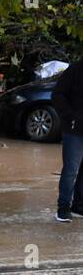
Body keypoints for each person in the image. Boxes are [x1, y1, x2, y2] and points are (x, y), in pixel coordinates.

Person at [50, 57, 83, 222]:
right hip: (74, 130)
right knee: (71, 170)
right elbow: (57, 95)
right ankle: (63, 208)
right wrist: (71, 116)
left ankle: (79, 207)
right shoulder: (75, 70)